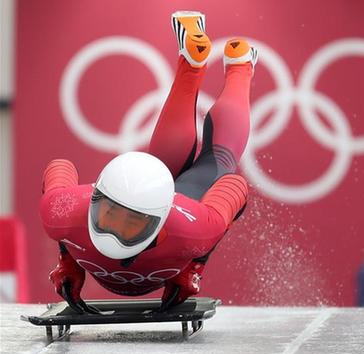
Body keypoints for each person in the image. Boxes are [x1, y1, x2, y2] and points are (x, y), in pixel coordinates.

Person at [40, 11, 258, 313]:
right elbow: (59, 167)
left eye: (131, 224)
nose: (114, 232)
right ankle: (236, 65)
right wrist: (67, 259)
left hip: (184, 202)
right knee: (216, 159)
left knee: (214, 159)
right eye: (109, 214)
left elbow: (235, 187)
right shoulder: (63, 212)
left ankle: (237, 67)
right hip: (161, 199)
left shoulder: (194, 227)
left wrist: (196, 261)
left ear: (159, 221)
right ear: (94, 200)